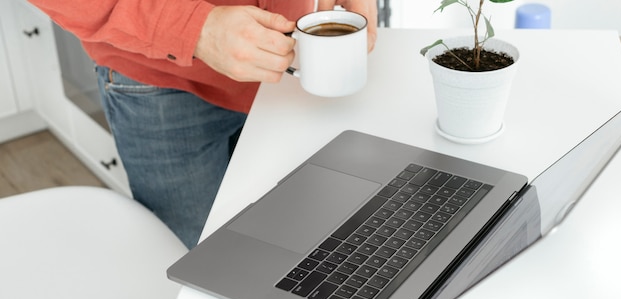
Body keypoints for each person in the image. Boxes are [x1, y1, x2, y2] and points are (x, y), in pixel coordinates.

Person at [29, 0, 378, 248]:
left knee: (292, 248)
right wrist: (195, 29)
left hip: (282, 74)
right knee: (197, 261)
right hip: (161, 84)